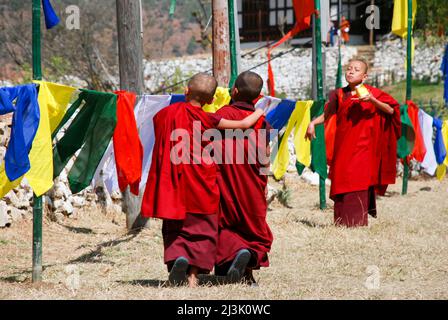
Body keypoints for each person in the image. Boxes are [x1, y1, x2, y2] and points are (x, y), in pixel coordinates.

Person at [141, 73, 265, 287]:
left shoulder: (165, 113)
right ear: (211, 100)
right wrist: (261, 110)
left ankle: (178, 258)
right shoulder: (210, 118)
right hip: (202, 182)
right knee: (203, 230)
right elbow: (244, 124)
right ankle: (193, 276)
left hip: (174, 182)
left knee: (176, 227)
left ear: (186, 91)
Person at [306, 59, 401, 227]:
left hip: (364, 147)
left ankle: (356, 221)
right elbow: (327, 114)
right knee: (342, 178)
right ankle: (342, 221)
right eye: (349, 69)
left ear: (364, 76)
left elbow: (391, 110)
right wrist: (313, 123)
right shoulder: (339, 94)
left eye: (356, 70)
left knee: (358, 179)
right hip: (343, 146)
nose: (350, 71)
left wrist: (372, 100)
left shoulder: (373, 93)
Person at [214, 71, 274, 286]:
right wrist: (265, 181)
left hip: (225, 178)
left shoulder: (223, 114)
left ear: (234, 91)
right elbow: (266, 152)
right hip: (253, 180)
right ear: (258, 97)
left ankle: (234, 259)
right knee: (252, 224)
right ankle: (247, 273)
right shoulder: (263, 121)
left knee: (224, 221)